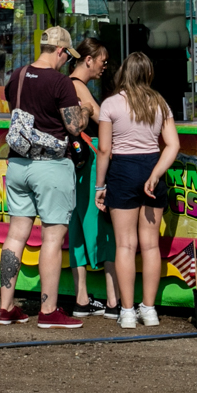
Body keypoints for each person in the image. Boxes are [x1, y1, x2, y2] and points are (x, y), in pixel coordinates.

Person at [0, 27, 87, 329]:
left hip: (18, 164)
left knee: (15, 235)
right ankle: (49, 310)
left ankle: (6, 307)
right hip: (50, 167)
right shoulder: (60, 82)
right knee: (51, 237)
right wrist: (84, 109)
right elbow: (74, 127)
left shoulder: (18, 75)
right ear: (60, 51)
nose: (65, 62)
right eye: (66, 56)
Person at [96, 52, 182, 329]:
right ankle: (150, 310)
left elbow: (105, 150)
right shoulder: (160, 103)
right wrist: (156, 174)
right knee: (150, 245)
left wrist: (100, 186)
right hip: (151, 167)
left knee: (125, 245)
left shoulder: (110, 104)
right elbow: (173, 145)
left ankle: (128, 311)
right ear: (148, 74)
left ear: (124, 73)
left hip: (122, 171)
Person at [67, 38, 116, 319]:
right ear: (88, 60)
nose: (104, 66)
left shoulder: (68, 84)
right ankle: (112, 301)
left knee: (76, 228)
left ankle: (82, 299)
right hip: (89, 163)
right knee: (101, 225)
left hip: (75, 163)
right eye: (102, 61)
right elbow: (104, 119)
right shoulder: (78, 86)